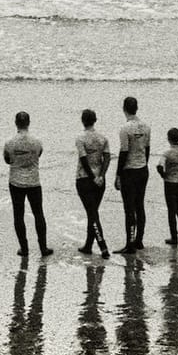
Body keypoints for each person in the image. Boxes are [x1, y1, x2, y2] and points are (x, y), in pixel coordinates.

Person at [3, 110, 52, 258]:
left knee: (18, 215)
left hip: (16, 182)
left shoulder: (10, 142)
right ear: (28, 123)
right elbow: (39, 154)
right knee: (39, 214)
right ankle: (43, 247)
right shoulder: (36, 141)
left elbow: (7, 160)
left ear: (16, 123)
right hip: (33, 182)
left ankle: (24, 248)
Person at [114, 95, 152, 253]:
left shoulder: (125, 129)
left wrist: (117, 175)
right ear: (137, 108)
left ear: (124, 109)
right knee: (140, 205)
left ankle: (130, 244)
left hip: (129, 171)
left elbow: (123, 152)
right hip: (142, 169)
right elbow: (147, 149)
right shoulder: (146, 127)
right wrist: (144, 164)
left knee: (129, 209)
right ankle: (139, 240)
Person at [74, 107, 111, 258]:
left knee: (92, 214)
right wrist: (101, 176)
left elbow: (83, 160)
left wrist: (92, 177)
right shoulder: (103, 138)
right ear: (95, 120)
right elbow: (107, 158)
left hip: (84, 179)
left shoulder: (80, 138)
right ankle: (89, 245)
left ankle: (103, 246)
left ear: (83, 121)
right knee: (93, 212)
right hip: (100, 181)